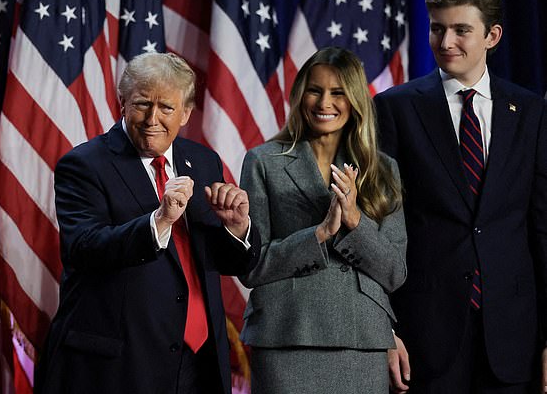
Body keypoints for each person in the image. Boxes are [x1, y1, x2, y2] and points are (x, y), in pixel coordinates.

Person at [34, 52, 261, 394]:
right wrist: (159, 221)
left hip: (199, 362)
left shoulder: (202, 161)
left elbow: (226, 261)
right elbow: (83, 248)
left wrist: (237, 227)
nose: (152, 118)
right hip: (120, 365)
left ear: (185, 113)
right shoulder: (83, 164)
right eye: (142, 104)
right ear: (122, 102)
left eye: (166, 108)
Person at [374, 0, 547, 393]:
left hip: (513, 338)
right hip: (425, 337)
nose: (446, 41)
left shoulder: (529, 111)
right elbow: (379, 229)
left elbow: (541, 228)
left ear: (492, 36)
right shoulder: (395, 108)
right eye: (437, 28)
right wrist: (384, 330)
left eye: (461, 30)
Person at [239, 46, 407, 393]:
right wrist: (318, 235)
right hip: (287, 335)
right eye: (315, 90)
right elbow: (252, 266)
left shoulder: (382, 169)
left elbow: (394, 272)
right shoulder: (263, 161)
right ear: (301, 94)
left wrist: (355, 220)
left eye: (338, 92)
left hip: (361, 341)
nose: (323, 102)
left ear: (355, 99)